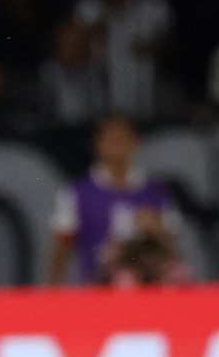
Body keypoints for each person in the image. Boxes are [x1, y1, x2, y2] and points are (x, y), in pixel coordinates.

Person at [47, 115, 178, 285]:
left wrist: (157, 230)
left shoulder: (157, 193)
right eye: (111, 138)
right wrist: (53, 290)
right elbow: (61, 249)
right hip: (97, 293)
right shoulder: (77, 193)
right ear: (97, 144)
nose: (117, 144)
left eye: (123, 138)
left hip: (150, 292)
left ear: (137, 143)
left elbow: (172, 248)